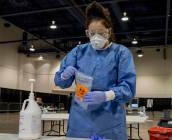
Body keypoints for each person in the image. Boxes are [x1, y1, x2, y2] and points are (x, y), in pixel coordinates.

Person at [54, 1, 136, 140]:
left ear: (109, 32)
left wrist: (106, 95)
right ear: (87, 33)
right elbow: (61, 83)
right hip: (80, 121)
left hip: (109, 121)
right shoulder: (78, 52)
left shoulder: (121, 53)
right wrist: (64, 75)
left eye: (101, 33)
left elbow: (128, 89)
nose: (96, 37)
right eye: (92, 33)